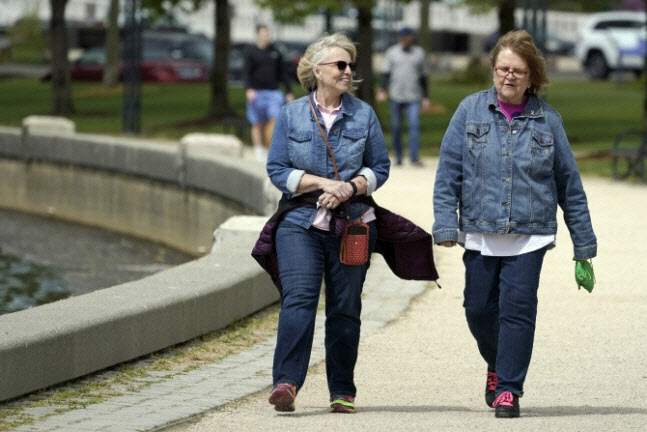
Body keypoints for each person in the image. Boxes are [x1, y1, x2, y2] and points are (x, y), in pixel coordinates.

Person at [432, 30, 597, 419]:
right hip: (479, 231)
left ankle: (508, 388)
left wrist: (583, 245)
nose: (509, 76)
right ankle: (496, 363)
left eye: (518, 71)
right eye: (503, 68)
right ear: (493, 69)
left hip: (530, 235)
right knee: (477, 309)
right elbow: (448, 173)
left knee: (517, 311)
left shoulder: (548, 121)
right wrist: (444, 224)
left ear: (531, 77)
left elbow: (569, 185)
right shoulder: (469, 111)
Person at [262, 32, 391, 414]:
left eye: (350, 65)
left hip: (351, 224)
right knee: (299, 299)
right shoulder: (290, 115)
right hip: (299, 222)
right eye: (340, 64)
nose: (348, 71)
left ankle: (342, 390)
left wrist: (349, 188)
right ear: (317, 71)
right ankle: (286, 382)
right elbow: (277, 169)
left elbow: (380, 167)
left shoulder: (364, 114)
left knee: (345, 307)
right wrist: (322, 184)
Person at [377, 26, 430, 166]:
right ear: (399, 38)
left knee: (414, 125)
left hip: (414, 96)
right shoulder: (392, 53)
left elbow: (424, 77)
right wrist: (382, 89)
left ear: (412, 38)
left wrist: (425, 97)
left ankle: (414, 158)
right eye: (402, 37)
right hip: (396, 95)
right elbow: (386, 74)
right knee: (396, 127)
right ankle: (398, 157)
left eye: (407, 37)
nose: (405, 40)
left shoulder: (419, 53)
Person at [244, 24, 294, 162]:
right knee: (257, 123)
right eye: (263, 33)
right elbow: (246, 72)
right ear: (258, 34)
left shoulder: (276, 52)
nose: (266, 36)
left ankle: (270, 148)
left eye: (267, 33)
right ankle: (258, 151)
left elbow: (283, 73)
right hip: (256, 92)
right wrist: (248, 89)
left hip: (273, 93)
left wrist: (288, 91)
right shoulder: (250, 52)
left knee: (274, 120)